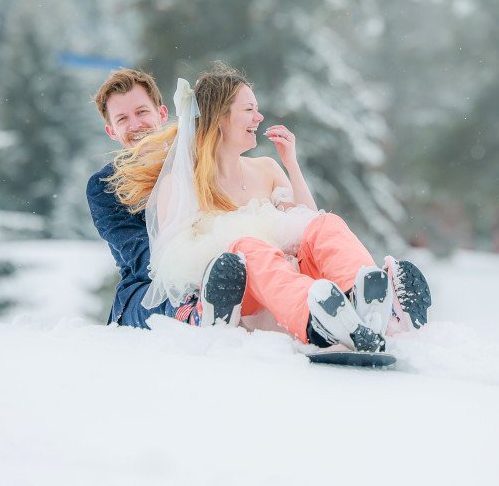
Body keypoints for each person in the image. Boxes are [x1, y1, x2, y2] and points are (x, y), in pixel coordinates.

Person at [111, 62, 431, 351]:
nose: (259, 117)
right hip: (252, 301)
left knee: (327, 225)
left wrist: (291, 164)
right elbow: (178, 269)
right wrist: (237, 250)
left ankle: (366, 301)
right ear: (220, 118)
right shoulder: (180, 186)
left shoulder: (267, 168)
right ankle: (318, 321)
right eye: (249, 109)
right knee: (249, 248)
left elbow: (308, 224)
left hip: (295, 278)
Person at [87, 69, 247, 328]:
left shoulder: (199, 161)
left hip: (220, 266)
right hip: (148, 288)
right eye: (123, 119)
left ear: (161, 114)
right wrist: (199, 269)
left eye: (141, 112)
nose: (135, 125)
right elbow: (142, 257)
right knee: (158, 297)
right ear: (112, 131)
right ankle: (195, 314)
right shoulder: (105, 185)